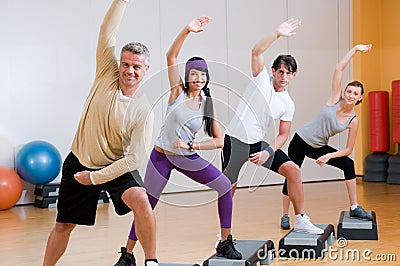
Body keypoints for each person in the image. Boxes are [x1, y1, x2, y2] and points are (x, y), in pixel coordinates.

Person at [114, 16, 242, 265]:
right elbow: (171, 56)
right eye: (193, 74)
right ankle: (128, 254)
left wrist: (192, 146)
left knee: (225, 186)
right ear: (187, 76)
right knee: (147, 204)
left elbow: (219, 141)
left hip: (186, 158)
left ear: (207, 78)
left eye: (202, 74)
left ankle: (225, 241)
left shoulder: (208, 105)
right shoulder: (177, 92)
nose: (198, 78)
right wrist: (187, 30)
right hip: (161, 156)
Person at [43, 0, 158, 265]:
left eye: (136, 66)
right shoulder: (106, 73)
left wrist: (95, 179)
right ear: (119, 64)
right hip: (80, 161)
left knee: (142, 200)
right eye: (126, 64)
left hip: (116, 167)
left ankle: (151, 261)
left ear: (145, 70)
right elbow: (107, 30)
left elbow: (134, 160)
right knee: (64, 226)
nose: (129, 70)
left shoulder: (143, 110)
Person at [222, 18, 324, 235]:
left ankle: (302, 219)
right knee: (228, 189)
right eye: (280, 72)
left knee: (293, 171)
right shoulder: (261, 79)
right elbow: (256, 50)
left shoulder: (288, 103)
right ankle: (223, 235)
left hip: (257, 144)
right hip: (234, 141)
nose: (284, 76)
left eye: (288, 73)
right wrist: (277, 33)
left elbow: (283, 134)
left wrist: (267, 152)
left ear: (293, 75)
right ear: (274, 71)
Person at [281, 44, 373, 227]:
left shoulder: (353, 121)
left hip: (318, 146)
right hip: (300, 140)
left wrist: (329, 155)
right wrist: (355, 50)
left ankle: (354, 207)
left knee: (349, 164)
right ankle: (285, 215)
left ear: (360, 98)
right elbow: (339, 68)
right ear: (344, 92)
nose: (350, 95)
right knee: (292, 175)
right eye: (349, 91)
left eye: (355, 93)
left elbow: (348, 150)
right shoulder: (334, 99)